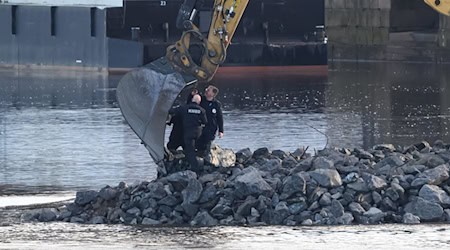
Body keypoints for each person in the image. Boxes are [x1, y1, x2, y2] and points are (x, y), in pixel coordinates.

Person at [166, 88, 200, 154]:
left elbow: (171, 112)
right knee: (189, 150)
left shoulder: (182, 109)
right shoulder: (196, 111)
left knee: (171, 148)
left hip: (178, 134)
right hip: (187, 135)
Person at [179, 94, 207, 171]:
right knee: (195, 148)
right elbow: (205, 121)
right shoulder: (202, 110)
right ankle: (197, 162)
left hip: (188, 132)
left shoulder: (185, 108)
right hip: (198, 133)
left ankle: (195, 168)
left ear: (192, 100)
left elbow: (174, 111)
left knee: (190, 150)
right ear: (199, 102)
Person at [196, 85, 224, 156]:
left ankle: (206, 158)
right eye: (206, 89)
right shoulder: (201, 100)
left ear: (213, 94)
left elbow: (219, 117)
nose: (206, 91)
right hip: (200, 127)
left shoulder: (216, 104)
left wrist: (221, 131)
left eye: (208, 90)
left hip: (211, 128)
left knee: (207, 145)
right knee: (198, 144)